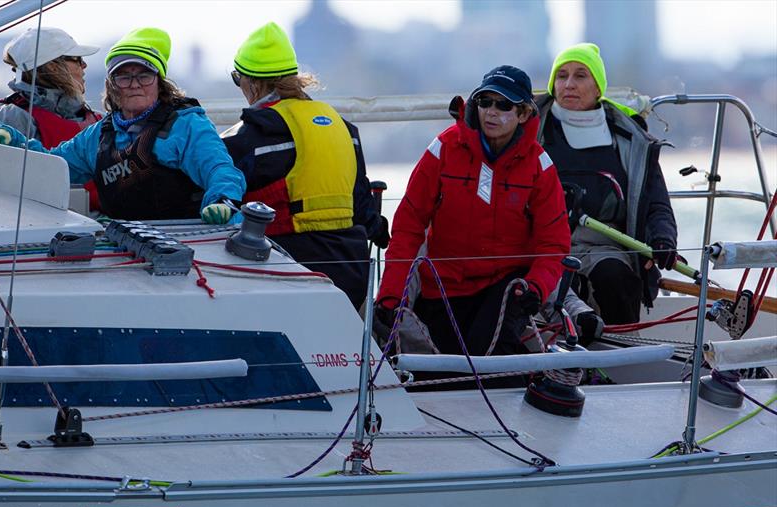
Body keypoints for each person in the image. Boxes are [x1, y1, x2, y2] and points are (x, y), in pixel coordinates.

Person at [375, 65, 571, 356]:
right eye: (484, 102)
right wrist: (390, 296)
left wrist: (536, 287)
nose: (491, 111)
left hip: (504, 288)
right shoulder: (442, 149)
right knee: (440, 377)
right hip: (442, 285)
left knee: (488, 361)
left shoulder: (539, 166)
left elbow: (554, 243)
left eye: (504, 104)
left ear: (524, 114)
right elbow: (408, 226)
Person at [0, 27, 243, 224]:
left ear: (160, 82)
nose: (135, 83)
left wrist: (222, 201)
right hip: (126, 243)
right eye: (123, 77)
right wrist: (16, 142)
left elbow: (219, 168)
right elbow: (55, 165)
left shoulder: (185, 125)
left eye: (144, 75)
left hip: (188, 239)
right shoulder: (99, 134)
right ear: (111, 85)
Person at [222, 22, 389, 309]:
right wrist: (379, 227)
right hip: (352, 275)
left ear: (253, 83)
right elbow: (363, 209)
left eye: (238, 79)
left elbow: (218, 199)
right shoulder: (344, 128)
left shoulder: (245, 138)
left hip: (286, 274)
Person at [536, 43, 678, 325]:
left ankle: (621, 356)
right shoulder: (530, 130)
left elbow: (656, 202)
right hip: (541, 248)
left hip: (607, 247)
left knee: (615, 279)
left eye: (580, 76)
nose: (569, 84)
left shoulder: (630, 140)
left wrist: (663, 238)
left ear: (598, 88)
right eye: (561, 76)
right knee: (563, 288)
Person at [0, 27, 103, 210]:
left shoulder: (97, 118)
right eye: (77, 59)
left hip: (102, 227)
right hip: (40, 232)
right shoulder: (12, 116)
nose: (84, 65)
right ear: (53, 66)